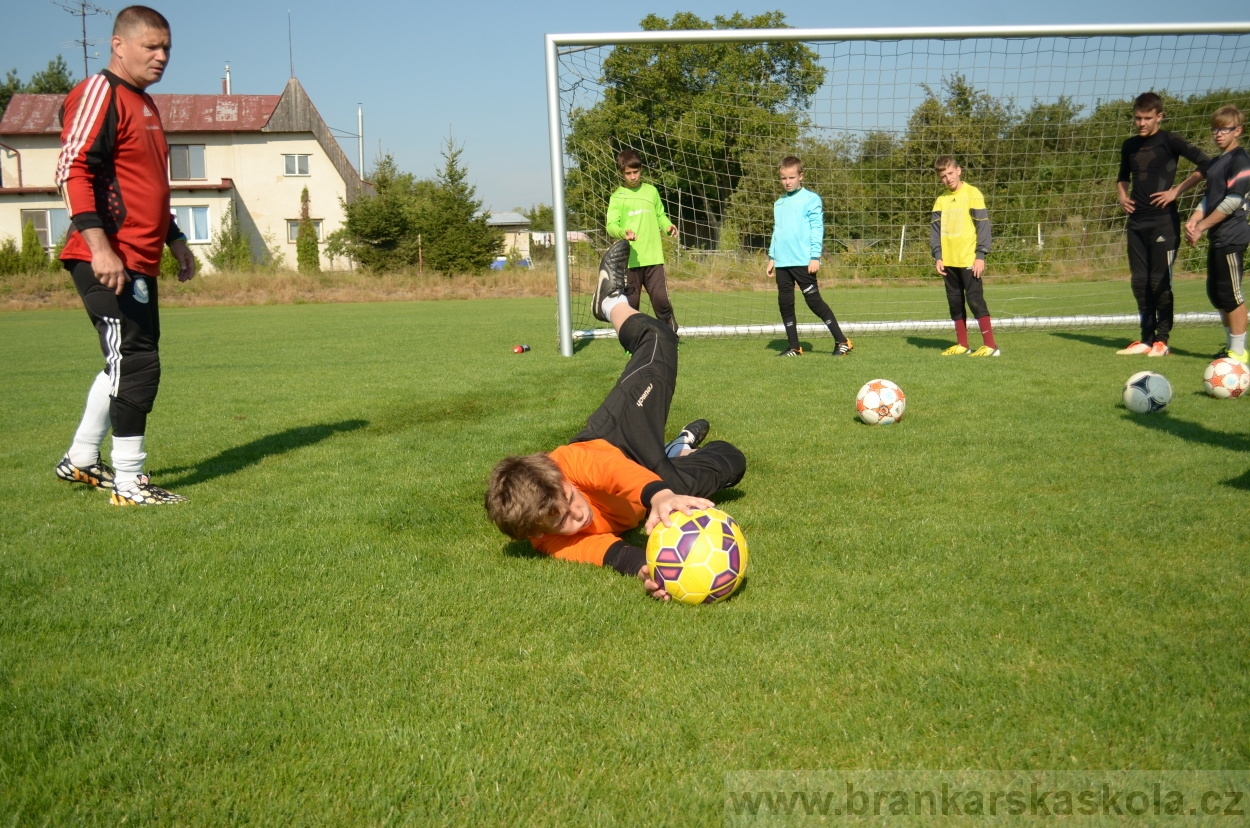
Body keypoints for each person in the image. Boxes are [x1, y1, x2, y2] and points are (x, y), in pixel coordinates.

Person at [485, 241, 747, 600]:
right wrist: (649, 567)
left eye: (569, 499)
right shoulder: (546, 540)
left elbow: (614, 472)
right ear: (538, 533)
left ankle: (610, 301)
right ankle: (677, 451)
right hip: (654, 477)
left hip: (620, 439)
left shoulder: (568, 463)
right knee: (732, 461)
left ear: (561, 479)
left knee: (659, 338)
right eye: (560, 521)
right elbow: (608, 552)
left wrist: (661, 495)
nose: (576, 515)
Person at [52, 5, 196, 506]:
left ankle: (81, 458)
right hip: (107, 258)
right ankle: (130, 483)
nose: (161, 56)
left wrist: (175, 238)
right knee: (137, 363)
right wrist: (100, 247)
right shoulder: (101, 92)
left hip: (138, 257)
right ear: (118, 45)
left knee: (125, 361)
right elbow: (72, 169)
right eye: (150, 46)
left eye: (167, 48)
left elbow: (147, 184)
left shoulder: (145, 103)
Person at [1115, 92, 1209, 357]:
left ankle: (1162, 340)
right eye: (1137, 118)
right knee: (1139, 282)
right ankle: (1146, 339)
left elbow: (1206, 164)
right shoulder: (1129, 145)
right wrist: (1122, 196)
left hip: (1163, 223)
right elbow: (1122, 176)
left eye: (1147, 118)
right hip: (1136, 222)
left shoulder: (1171, 140)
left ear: (1159, 116)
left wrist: (1176, 191)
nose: (1141, 123)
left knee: (1159, 281)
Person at [766, 156, 851, 357]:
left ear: (801, 176)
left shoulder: (811, 199)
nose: (787, 182)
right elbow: (777, 231)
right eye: (783, 178)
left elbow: (817, 229)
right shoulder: (779, 203)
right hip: (783, 262)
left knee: (814, 302)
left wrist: (815, 256)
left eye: (792, 177)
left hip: (803, 261)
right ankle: (794, 347)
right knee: (785, 303)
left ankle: (842, 341)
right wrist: (772, 257)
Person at [1184, 106, 1250, 363]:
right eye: (1215, 129)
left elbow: (1233, 201)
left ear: (1238, 131)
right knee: (1217, 294)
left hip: (1233, 236)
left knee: (1231, 295)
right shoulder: (1215, 163)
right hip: (1218, 237)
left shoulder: (1240, 160)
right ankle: (1230, 348)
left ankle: (1239, 352)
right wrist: (1194, 219)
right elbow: (1209, 198)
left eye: (1224, 129)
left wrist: (1202, 226)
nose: (1218, 134)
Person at [929, 156, 999, 357]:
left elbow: (983, 226)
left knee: (975, 300)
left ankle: (990, 346)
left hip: (969, 260)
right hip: (948, 261)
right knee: (955, 303)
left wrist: (980, 255)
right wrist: (938, 256)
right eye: (943, 176)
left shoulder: (972, 193)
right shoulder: (941, 200)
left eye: (950, 173)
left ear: (958, 170)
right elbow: (935, 231)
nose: (948, 179)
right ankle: (963, 344)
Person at [605, 149, 679, 333]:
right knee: (631, 305)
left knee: (661, 301)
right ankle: (634, 341)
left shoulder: (651, 191)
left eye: (635, 172)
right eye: (628, 173)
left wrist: (668, 226)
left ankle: (671, 337)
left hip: (653, 258)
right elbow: (611, 225)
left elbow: (660, 215)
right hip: (630, 262)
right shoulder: (617, 197)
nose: (633, 177)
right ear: (621, 173)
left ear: (641, 170)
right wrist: (623, 232)